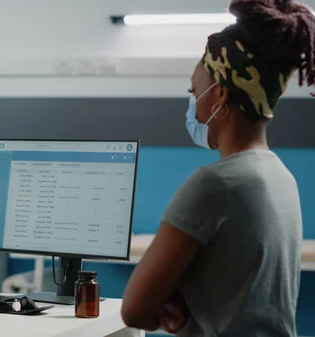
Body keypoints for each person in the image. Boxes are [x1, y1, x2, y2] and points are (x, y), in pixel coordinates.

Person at [121, 0, 313, 335]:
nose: (192, 103)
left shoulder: (215, 184)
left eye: (195, 91)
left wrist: (167, 306)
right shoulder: (280, 176)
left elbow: (135, 311)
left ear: (221, 94)